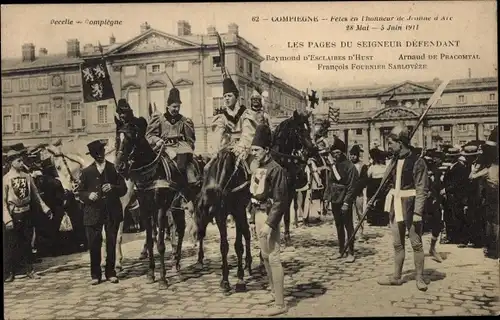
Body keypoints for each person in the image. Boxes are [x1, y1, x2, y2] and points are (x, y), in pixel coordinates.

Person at [376, 125, 429, 291]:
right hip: (395, 204)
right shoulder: (393, 161)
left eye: (391, 143)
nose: (389, 146)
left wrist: (418, 212)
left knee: (416, 244)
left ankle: (420, 278)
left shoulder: (418, 161)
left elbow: (422, 189)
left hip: (410, 205)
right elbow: (384, 182)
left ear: (400, 143)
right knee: (397, 244)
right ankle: (397, 277)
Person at [247, 124, 289, 316]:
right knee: (264, 255)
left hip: (268, 215)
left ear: (266, 150)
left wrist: (271, 224)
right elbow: (254, 193)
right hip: (258, 214)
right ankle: (273, 292)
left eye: (256, 150)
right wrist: (251, 214)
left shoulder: (276, 169)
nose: (253, 153)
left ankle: (280, 303)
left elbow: (281, 201)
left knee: (273, 257)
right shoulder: (258, 168)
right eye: (252, 150)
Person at [76, 139, 127, 285]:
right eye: (96, 154)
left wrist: (113, 187)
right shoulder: (86, 172)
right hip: (93, 213)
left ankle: (111, 272)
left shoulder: (113, 169)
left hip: (111, 212)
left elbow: (123, 189)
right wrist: (88, 196)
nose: (100, 156)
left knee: (111, 242)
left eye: (101, 152)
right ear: (92, 155)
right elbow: (80, 192)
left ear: (104, 152)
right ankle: (95, 275)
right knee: (94, 244)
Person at [3, 149, 53, 282]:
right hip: (14, 214)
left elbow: (36, 196)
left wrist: (45, 208)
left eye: (21, 160)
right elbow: (3, 202)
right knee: (11, 244)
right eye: (18, 160)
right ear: (10, 162)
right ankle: (8, 273)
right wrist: (7, 219)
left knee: (28, 243)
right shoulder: (6, 179)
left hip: (27, 213)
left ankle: (30, 270)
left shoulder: (27, 177)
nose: (21, 162)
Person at [146, 87, 197, 195]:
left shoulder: (185, 121)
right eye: (174, 106)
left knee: (182, 166)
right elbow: (149, 135)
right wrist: (157, 140)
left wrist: (189, 148)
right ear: (168, 106)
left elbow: (191, 139)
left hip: (181, 147)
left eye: (178, 107)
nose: (176, 109)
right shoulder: (159, 119)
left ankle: (185, 191)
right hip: (163, 148)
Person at [323, 138, 359, 263]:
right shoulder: (333, 166)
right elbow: (330, 183)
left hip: (344, 200)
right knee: (338, 225)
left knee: (348, 226)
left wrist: (346, 202)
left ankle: (351, 252)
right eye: (334, 154)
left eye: (338, 153)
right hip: (335, 199)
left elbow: (352, 186)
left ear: (342, 152)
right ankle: (341, 250)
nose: (336, 155)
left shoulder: (350, 166)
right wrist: (327, 199)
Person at [441, 147, 470, 246]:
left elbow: (458, 183)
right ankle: (452, 237)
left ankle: (462, 239)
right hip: (449, 196)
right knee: (449, 216)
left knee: (459, 216)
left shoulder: (460, 168)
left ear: (457, 157)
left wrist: (446, 189)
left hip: (458, 195)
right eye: (450, 157)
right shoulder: (451, 167)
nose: (450, 158)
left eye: (453, 157)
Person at [349, 145, 368, 237]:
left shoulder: (362, 166)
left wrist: (357, 188)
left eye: (354, 155)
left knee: (359, 212)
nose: (352, 157)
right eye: (351, 155)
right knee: (350, 213)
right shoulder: (348, 165)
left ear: (357, 155)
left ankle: (360, 231)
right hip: (348, 194)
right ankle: (351, 232)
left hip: (358, 193)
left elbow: (364, 180)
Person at [366, 148, 388, 226]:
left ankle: (376, 220)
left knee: (379, 203)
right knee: (377, 203)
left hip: (378, 185)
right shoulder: (375, 167)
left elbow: (368, 176)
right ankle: (376, 219)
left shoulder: (375, 167)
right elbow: (368, 175)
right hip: (375, 186)